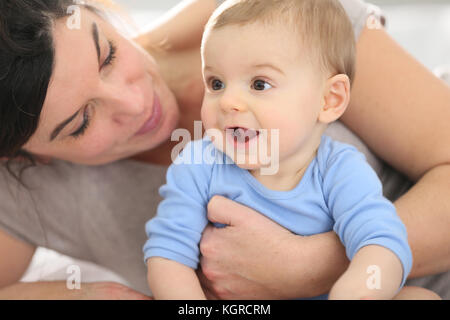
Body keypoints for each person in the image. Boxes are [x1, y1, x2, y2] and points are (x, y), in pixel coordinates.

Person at [0, 0, 448, 300]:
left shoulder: (274, 17)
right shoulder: (194, 169)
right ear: (24, 156)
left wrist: (304, 265)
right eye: (81, 122)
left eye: (109, 55)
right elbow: (169, 250)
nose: (136, 104)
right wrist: (87, 295)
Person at [144, 0, 439, 300]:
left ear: (329, 100)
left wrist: (363, 287)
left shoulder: (339, 169)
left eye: (259, 84)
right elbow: (167, 256)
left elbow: (381, 242)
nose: (228, 101)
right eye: (216, 83)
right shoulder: (198, 165)